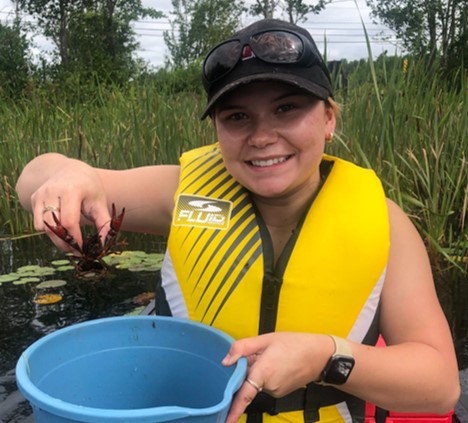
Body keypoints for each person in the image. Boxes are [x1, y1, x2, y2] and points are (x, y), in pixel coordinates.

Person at [16, 18, 460, 423]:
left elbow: (441, 386)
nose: (263, 137)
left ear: (328, 118)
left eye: (287, 108)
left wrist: (326, 357)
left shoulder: (384, 222)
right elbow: (32, 178)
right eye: (237, 117)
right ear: (217, 130)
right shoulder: (183, 197)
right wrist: (68, 173)